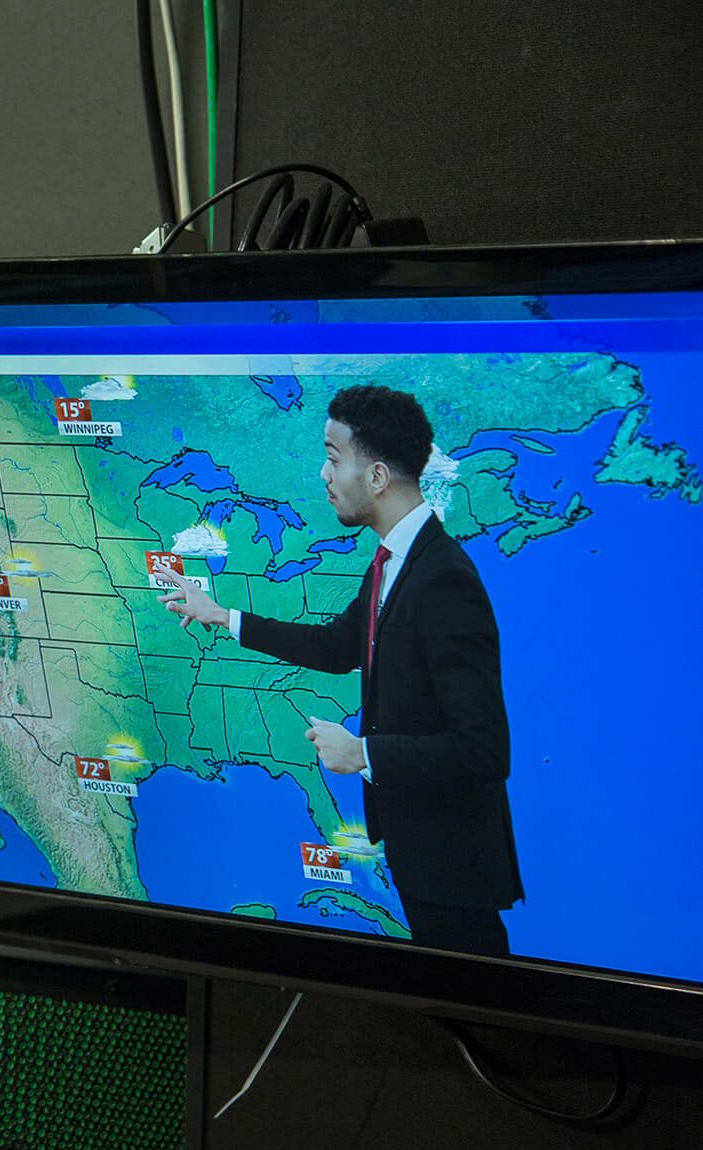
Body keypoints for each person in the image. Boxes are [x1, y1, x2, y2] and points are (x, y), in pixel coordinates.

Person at [158, 384, 522, 955]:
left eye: (333, 458)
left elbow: (484, 749)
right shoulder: (391, 563)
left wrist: (363, 755)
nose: (324, 475)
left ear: (376, 476)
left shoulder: (442, 579)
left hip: (452, 863)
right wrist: (220, 615)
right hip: (419, 849)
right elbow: (335, 647)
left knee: (479, 1010)